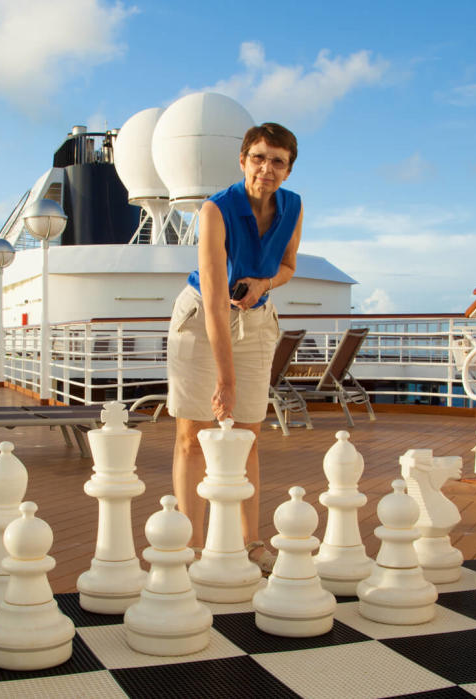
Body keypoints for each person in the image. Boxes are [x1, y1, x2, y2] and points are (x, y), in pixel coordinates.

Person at [165, 122, 303, 571]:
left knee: (248, 437)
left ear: (287, 170)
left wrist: (266, 282)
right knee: (193, 437)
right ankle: (191, 548)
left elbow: (288, 266)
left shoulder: (294, 208)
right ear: (243, 160)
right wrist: (225, 379)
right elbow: (214, 302)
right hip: (203, 317)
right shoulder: (215, 211)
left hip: (258, 319)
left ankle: (250, 543)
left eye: (277, 161)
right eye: (259, 157)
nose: (267, 168)